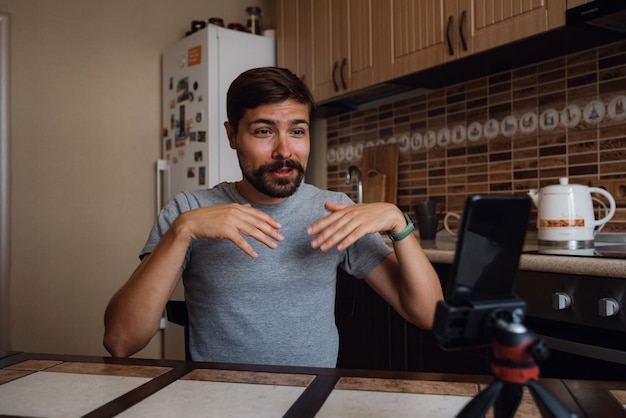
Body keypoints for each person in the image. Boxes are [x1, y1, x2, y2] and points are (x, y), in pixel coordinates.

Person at [103, 67, 443, 368]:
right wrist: (183, 230)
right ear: (232, 135)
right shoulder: (188, 210)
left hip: (310, 399)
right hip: (217, 404)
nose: (284, 151)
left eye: (297, 131)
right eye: (264, 131)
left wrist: (399, 222)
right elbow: (121, 341)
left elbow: (428, 314)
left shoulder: (335, 212)